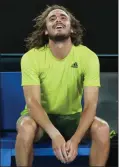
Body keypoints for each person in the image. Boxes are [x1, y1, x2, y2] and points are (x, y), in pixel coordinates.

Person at [15, 4, 110, 167]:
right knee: (25, 127)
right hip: (40, 120)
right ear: (45, 30)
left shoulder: (88, 57)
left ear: (72, 29)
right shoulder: (31, 57)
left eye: (63, 17)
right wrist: (55, 135)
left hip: (72, 118)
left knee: (102, 128)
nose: (58, 20)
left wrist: (75, 140)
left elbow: (90, 105)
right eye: (52, 18)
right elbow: (32, 103)